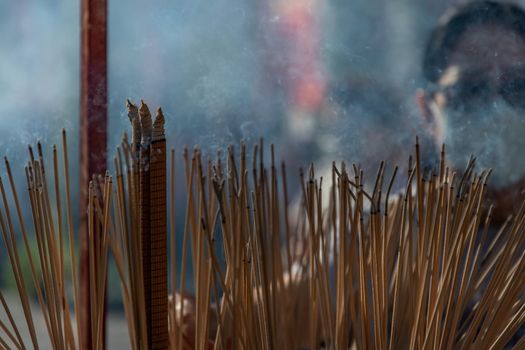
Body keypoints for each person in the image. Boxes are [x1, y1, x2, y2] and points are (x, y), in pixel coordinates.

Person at [416, 0, 525, 223]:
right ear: (427, 111)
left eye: (518, 87)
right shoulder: (375, 241)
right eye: (470, 89)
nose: (497, 110)